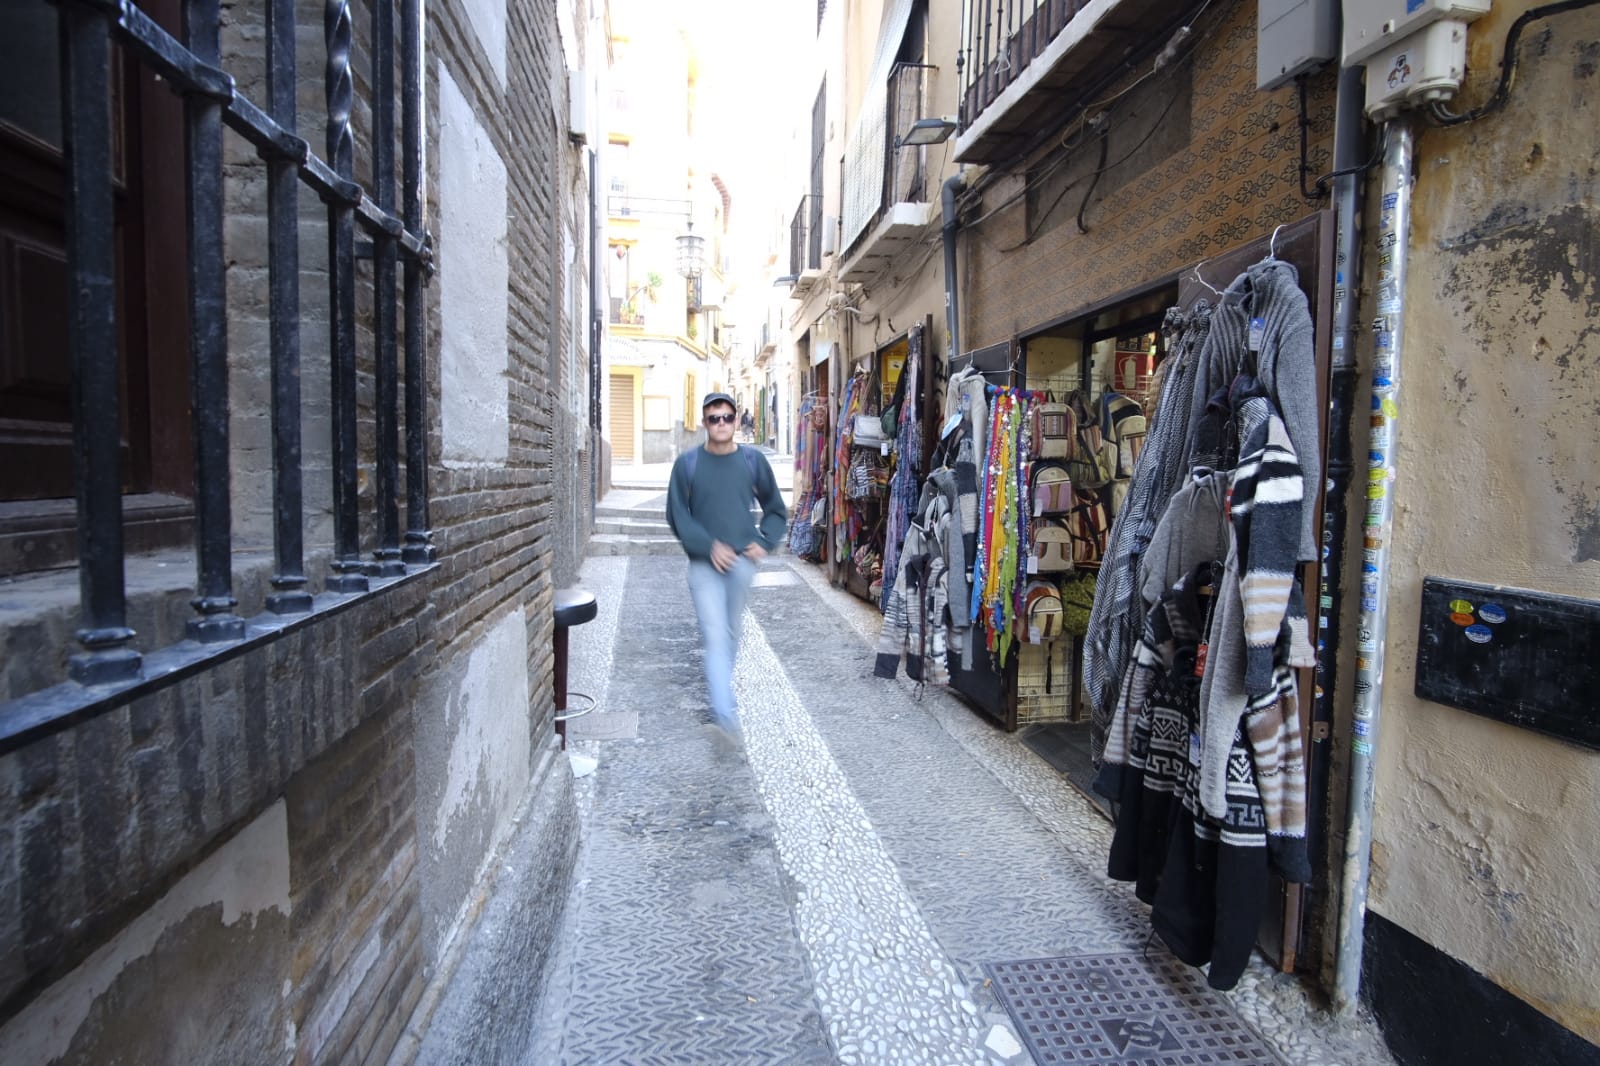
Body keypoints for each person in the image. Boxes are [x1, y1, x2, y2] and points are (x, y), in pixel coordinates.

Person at [666, 392, 788, 744]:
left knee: (731, 633)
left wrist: (765, 541)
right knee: (716, 635)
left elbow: (776, 509)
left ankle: (723, 701)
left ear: (736, 421)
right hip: (703, 566)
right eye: (714, 418)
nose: (721, 423)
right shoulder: (687, 465)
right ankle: (725, 715)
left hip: (741, 564)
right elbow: (677, 515)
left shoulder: (752, 462)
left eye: (727, 417)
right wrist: (708, 546)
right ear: (704, 423)